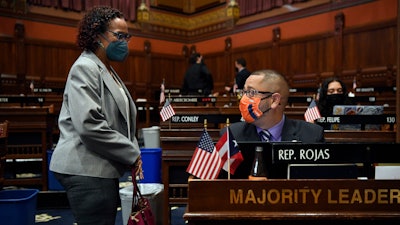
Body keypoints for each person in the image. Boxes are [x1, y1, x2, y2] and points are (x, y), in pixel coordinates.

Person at [49, 6, 142, 225]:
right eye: (119, 36)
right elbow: (89, 125)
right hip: (86, 168)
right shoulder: (85, 67)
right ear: (97, 35)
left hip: (100, 166)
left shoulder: (105, 68)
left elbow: (123, 119)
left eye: (127, 36)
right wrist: (131, 153)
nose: (124, 42)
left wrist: (132, 149)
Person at [221, 69, 325, 179]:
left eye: (251, 93)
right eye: (244, 92)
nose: (244, 99)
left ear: (274, 100)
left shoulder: (311, 135)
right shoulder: (231, 135)